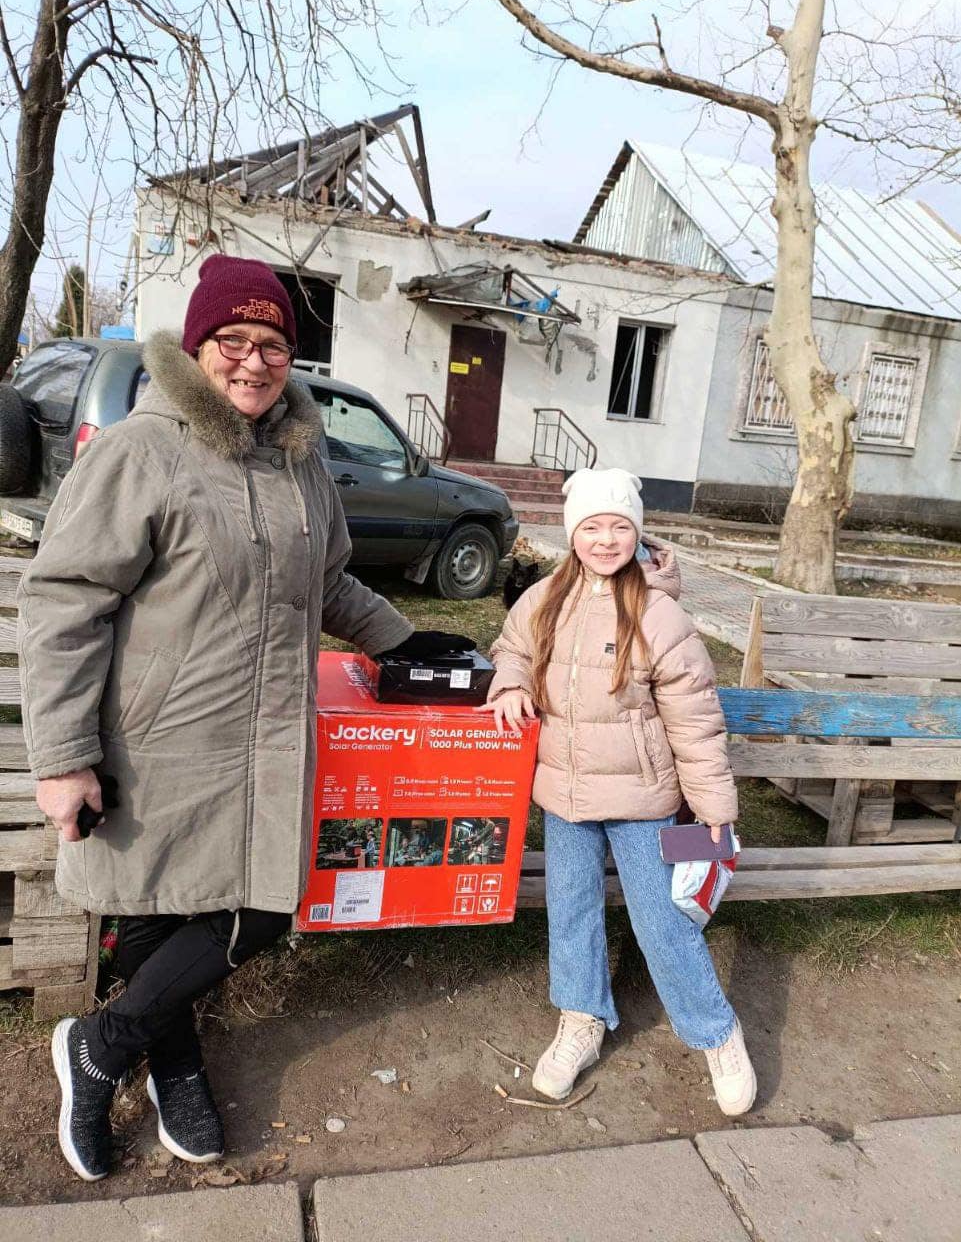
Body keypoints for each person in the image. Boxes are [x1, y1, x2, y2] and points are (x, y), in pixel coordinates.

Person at [19, 254, 465, 1182]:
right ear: (198, 346)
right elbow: (65, 599)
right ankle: (173, 1066)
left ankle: (100, 1045)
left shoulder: (300, 462)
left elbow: (329, 578)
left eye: (272, 345)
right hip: (157, 736)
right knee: (156, 909)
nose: (253, 363)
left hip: (266, 736)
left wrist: (399, 644)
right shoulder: (145, 451)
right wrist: (63, 755)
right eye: (234, 341)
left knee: (263, 904)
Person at [480, 468, 755, 1115]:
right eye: (592, 527)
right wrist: (510, 684)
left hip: (641, 802)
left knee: (662, 924)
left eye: (619, 526)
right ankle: (581, 1021)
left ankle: (716, 1033)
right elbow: (510, 649)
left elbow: (695, 722)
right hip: (566, 801)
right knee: (571, 913)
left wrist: (714, 810)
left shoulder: (659, 615)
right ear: (573, 532)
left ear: (636, 532)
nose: (605, 539)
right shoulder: (544, 598)